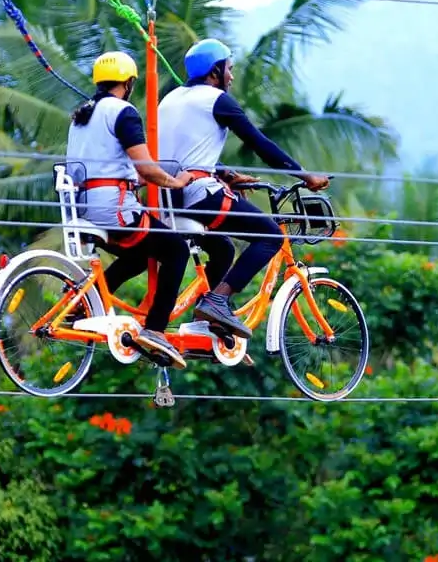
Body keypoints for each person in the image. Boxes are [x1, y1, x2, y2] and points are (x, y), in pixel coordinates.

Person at [157, 38, 330, 340]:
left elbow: (181, 149)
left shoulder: (170, 99)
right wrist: (305, 176)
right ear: (214, 71)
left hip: (167, 197)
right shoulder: (216, 100)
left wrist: (224, 172)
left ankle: (206, 325)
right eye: (229, 69)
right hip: (199, 195)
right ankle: (217, 300)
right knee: (270, 235)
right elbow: (259, 142)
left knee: (223, 249)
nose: (232, 76)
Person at [66, 50, 194, 368]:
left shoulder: (82, 114)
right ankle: (155, 329)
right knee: (176, 250)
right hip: (114, 211)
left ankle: (83, 304)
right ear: (129, 82)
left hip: (83, 208)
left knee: (138, 257)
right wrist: (176, 183)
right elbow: (147, 169)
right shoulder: (123, 112)